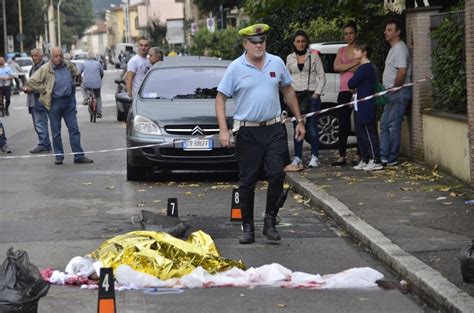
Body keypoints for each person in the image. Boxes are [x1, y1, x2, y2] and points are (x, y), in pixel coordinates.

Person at [215, 24, 306, 244]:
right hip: (248, 131)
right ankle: (248, 228)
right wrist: (223, 129)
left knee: (277, 174)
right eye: (254, 42)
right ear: (245, 44)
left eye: (262, 41)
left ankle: (270, 221)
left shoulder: (276, 62)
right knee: (248, 181)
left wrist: (299, 120)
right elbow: (220, 98)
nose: (259, 45)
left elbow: (288, 90)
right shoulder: (236, 67)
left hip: (274, 128)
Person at [24, 47, 93, 165]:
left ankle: (79, 156)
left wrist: (75, 80)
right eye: (56, 56)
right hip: (54, 103)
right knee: (56, 131)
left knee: (74, 129)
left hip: (68, 102)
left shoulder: (68, 65)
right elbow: (31, 81)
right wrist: (44, 89)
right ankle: (59, 156)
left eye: (60, 55)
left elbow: (76, 72)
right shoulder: (46, 69)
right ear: (51, 57)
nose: (59, 58)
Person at [286, 30, 326, 169]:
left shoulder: (314, 57)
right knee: (297, 126)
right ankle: (297, 157)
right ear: (294, 43)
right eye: (298, 41)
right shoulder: (290, 58)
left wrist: (317, 93)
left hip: (311, 95)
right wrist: (288, 96)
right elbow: (286, 78)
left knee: (312, 127)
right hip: (296, 96)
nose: (300, 44)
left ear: (306, 42)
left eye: (303, 41)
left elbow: (322, 76)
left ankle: (315, 156)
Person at [380, 19, 412, 166]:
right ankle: (384, 155)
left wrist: (394, 87)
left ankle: (391, 156)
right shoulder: (393, 48)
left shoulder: (400, 48)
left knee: (392, 125)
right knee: (385, 124)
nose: (386, 32)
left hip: (398, 92)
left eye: (390, 30)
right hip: (390, 92)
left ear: (398, 32)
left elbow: (402, 70)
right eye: (386, 29)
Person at [348, 42, 383, 171]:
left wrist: (353, 83)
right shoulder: (363, 67)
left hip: (366, 104)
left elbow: (351, 83)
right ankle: (365, 158)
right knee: (361, 132)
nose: (355, 53)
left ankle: (375, 159)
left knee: (369, 132)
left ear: (364, 53)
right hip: (360, 104)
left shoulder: (365, 68)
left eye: (357, 51)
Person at [333, 21, 361, 166]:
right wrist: (352, 64)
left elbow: (362, 67)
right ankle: (342, 155)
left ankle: (359, 154)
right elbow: (336, 67)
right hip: (343, 90)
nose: (348, 36)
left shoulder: (360, 50)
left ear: (356, 34)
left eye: (351, 33)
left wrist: (346, 68)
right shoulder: (341, 50)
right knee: (343, 123)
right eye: (346, 34)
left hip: (358, 90)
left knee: (358, 122)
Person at [27, 48, 52, 154]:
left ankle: (44, 144)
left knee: (40, 123)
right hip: (34, 99)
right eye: (32, 56)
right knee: (39, 123)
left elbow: (47, 84)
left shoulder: (44, 67)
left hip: (40, 99)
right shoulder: (33, 67)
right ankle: (45, 143)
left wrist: (32, 89)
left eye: (36, 55)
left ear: (41, 56)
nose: (33, 58)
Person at [78, 52, 104, 118]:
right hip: (97, 84)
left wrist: (80, 79)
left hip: (87, 84)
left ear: (87, 57)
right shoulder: (98, 63)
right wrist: (100, 78)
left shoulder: (83, 63)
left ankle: (86, 98)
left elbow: (78, 72)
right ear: (94, 57)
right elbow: (102, 73)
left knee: (82, 87)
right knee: (98, 96)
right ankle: (99, 112)